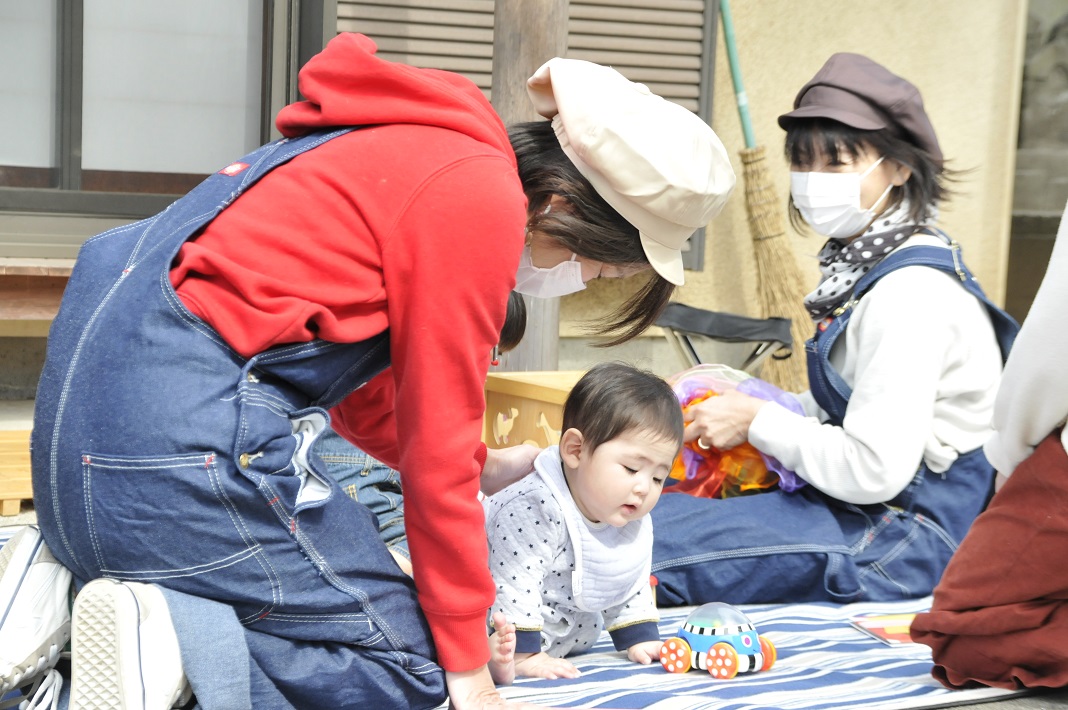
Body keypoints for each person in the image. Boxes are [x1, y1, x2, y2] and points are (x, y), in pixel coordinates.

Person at [23, 32, 735, 710]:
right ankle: (174, 646)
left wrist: (482, 467)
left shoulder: (403, 144)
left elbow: (364, 398)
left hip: (78, 467)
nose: (583, 280)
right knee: (412, 659)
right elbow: (437, 454)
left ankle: (56, 610)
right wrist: (464, 665)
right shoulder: (477, 197)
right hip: (175, 455)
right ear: (561, 206)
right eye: (599, 263)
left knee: (360, 601)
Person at [648, 52, 1019, 609]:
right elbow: (858, 406)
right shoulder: (869, 268)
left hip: (905, 534)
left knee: (645, 548)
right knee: (633, 512)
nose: (812, 182)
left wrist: (757, 418)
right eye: (803, 162)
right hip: (862, 506)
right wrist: (747, 397)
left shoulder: (908, 294)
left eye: (837, 162)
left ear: (899, 168)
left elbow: (874, 469)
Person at [909, 197, 1068, 690]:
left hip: (914, 513)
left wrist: (1011, 452)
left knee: (959, 637)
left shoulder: (916, 283)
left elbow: (1053, 340)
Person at [481, 362, 683, 685]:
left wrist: (640, 636)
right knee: (467, 626)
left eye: (659, 476)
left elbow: (626, 576)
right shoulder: (537, 503)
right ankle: (496, 655)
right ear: (575, 450)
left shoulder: (626, 511)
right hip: (500, 614)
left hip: (566, 632)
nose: (644, 487)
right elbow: (515, 577)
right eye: (631, 469)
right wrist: (525, 654)